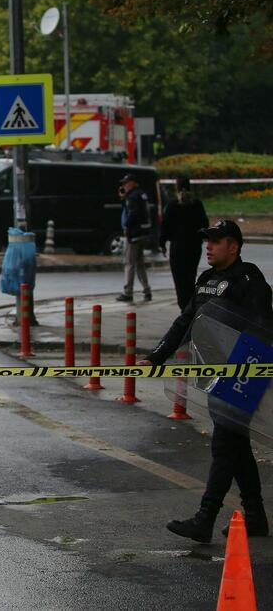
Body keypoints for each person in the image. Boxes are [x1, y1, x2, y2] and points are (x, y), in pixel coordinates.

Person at [140, 220, 273, 542]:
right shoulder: (206, 280)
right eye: (207, 241)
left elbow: (261, 328)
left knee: (225, 445)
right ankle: (254, 516)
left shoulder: (248, 278)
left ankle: (205, 518)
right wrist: (156, 356)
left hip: (243, 373)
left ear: (234, 246)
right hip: (214, 375)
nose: (208, 247)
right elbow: (185, 321)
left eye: (216, 241)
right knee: (236, 445)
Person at [160, 176, 209, 310]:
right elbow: (204, 224)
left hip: (177, 247)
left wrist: (162, 243)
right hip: (194, 247)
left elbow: (165, 226)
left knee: (179, 279)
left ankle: (184, 307)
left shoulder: (172, 205)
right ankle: (191, 305)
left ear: (176, 187)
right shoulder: (197, 204)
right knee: (190, 277)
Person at [116, 174, 152, 302]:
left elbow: (133, 213)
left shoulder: (132, 197)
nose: (124, 185)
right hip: (144, 233)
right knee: (140, 264)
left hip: (134, 235)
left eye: (126, 183)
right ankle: (147, 290)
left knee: (129, 263)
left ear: (133, 183)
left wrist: (127, 227)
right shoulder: (142, 194)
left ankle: (128, 292)